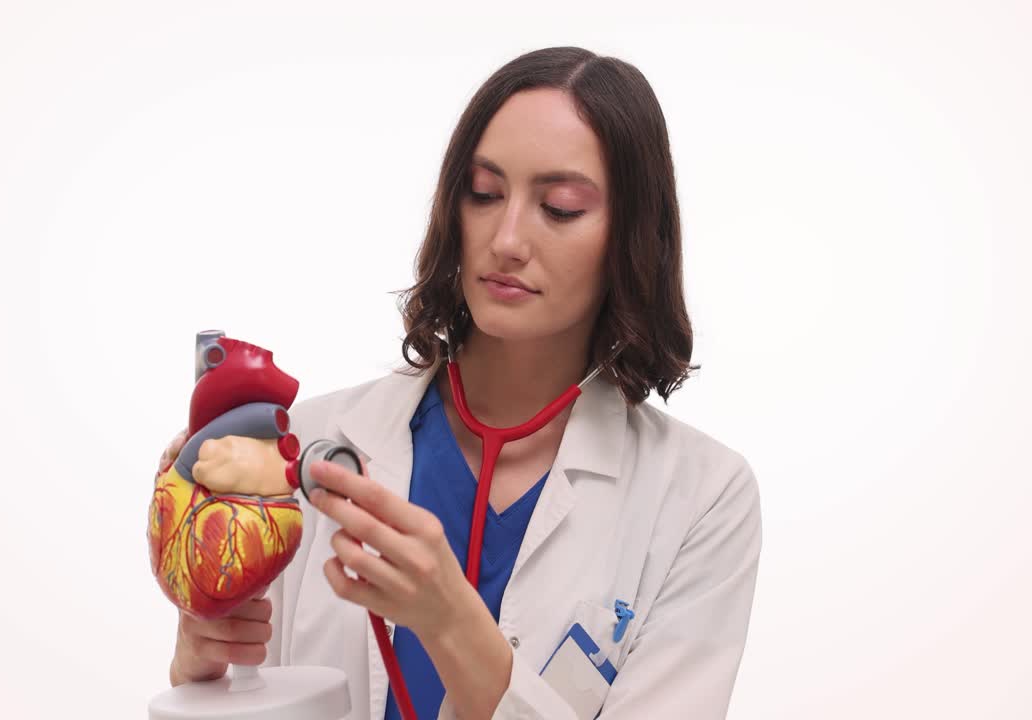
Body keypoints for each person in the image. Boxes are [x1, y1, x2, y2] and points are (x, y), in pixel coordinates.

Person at [159, 46, 762, 720]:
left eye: (559, 207)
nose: (506, 238)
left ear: (632, 236)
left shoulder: (702, 499)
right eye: (484, 193)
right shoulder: (305, 448)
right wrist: (199, 672)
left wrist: (452, 623)